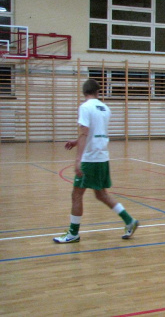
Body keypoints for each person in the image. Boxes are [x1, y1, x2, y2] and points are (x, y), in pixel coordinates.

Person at [54, 79, 139, 243]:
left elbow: (85, 133)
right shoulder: (105, 108)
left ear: (84, 92)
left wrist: (78, 159)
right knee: (101, 194)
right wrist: (76, 141)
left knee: (76, 194)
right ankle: (129, 221)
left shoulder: (85, 107)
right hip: (102, 157)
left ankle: (73, 233)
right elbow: (94, 133)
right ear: (98, 91)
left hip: (90, 159)